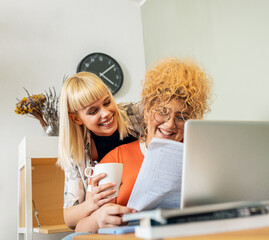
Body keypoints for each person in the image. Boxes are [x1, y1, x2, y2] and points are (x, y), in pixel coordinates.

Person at [75, 58, 213, 233]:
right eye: (163, 112)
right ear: (146, 111)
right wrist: (98, 217)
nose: (170, 124)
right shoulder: (116, 159)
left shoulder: (200, 157)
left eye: (181, 117)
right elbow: (80, 229)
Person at [57, 72, 143, 229]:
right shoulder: (77, 152)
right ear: (76, 119)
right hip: (112, 220)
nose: (106, 113)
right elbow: (69, 219)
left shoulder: (136, 114)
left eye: (107, 102)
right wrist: (92, 203)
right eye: (93, 111)